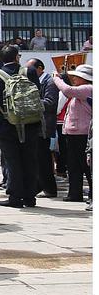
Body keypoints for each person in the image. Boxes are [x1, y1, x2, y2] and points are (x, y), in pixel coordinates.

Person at [0, 45, 41, 208]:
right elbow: (38, 93)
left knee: (12, 160)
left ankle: (14, 197)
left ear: (0, 59)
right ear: (17, 57)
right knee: (30, 159)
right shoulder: (30, 72)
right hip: (30, 123)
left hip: (6, 125)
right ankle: (30, 197)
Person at [53, 64, 93, 203]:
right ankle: (74, 193)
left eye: (77, 76)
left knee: (85, 164)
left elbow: (67, 90)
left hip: (82, 133)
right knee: (73, 165)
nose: (74, 78)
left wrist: (57, 79)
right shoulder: (81, 91)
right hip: (74, 132)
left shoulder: (88, 88)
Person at [28, 58, 58, 198]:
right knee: (38, 158)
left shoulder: (50, 82)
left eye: (31, 69)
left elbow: (50, 102)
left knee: (44, 158)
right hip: (38, 125)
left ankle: (49, 188)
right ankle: (41, 186)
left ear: (40, 68)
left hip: (45, 126)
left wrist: (30, 102)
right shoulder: (36, 82)